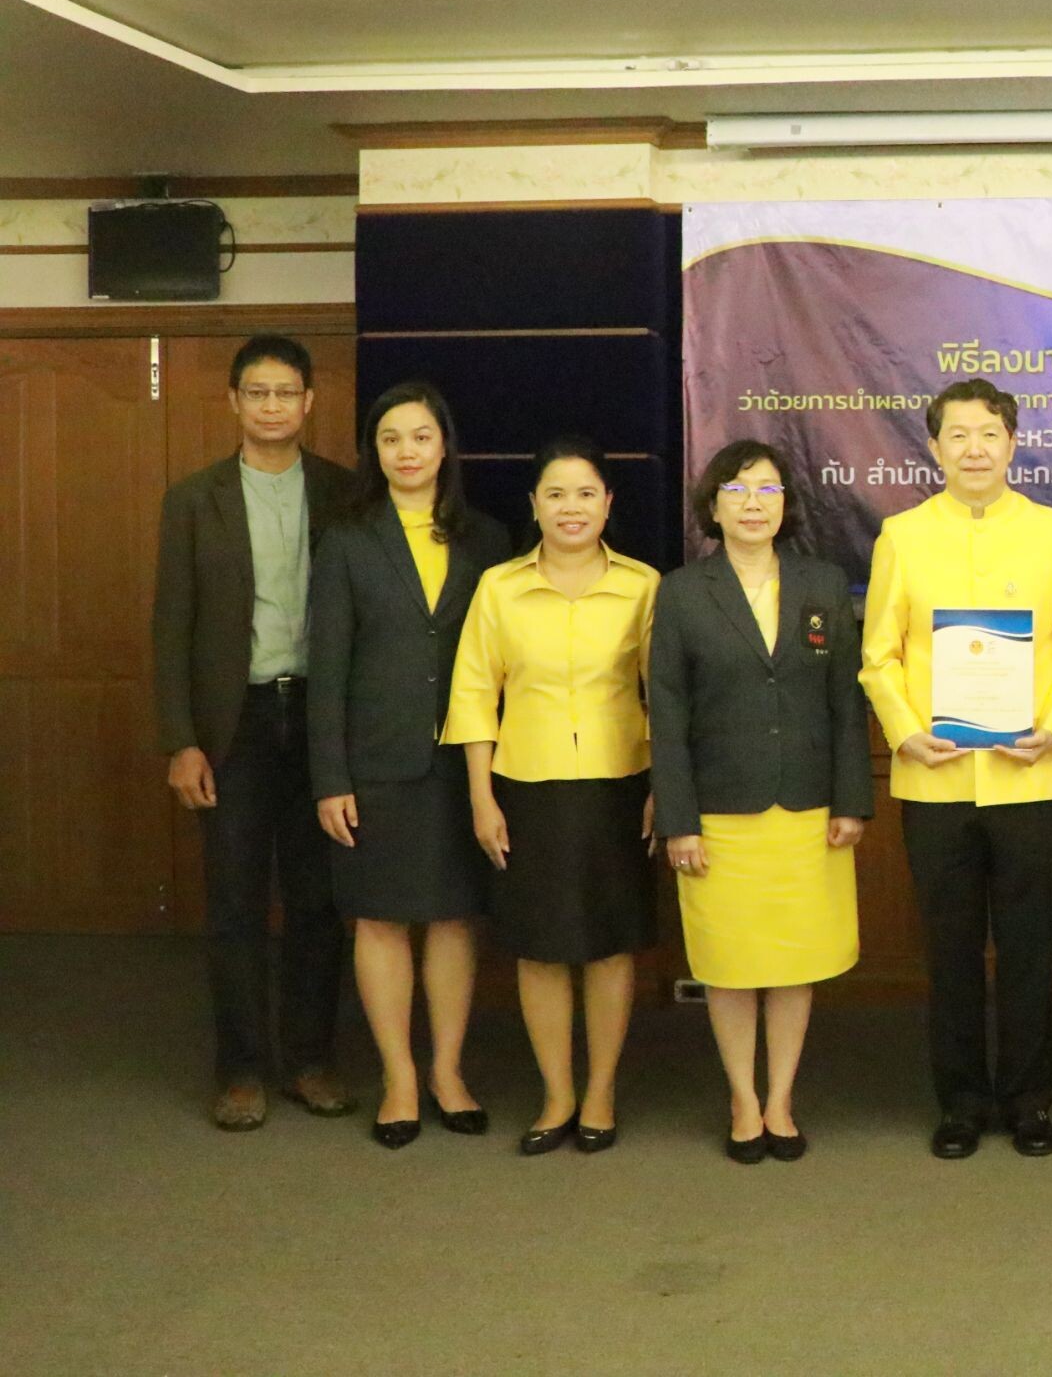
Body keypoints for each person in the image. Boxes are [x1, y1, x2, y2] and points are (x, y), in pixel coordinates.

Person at [859, 379, 1052, 1160]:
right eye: (957, 435)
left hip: (1031, 779)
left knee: (1033, 950)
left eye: (988, 434)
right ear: (933, 448)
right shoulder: (901, 535)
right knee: (952, 951)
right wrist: (904, 734)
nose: (974, 449)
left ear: (1011, 442)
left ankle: (1031, 1101)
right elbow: (877, 659)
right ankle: (961, 1102)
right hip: (934, 781)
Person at [151, 334, 357, 1131]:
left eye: (287, 392)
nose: (273, 405)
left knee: (316, 900)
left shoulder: (343, 493)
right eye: (258, 392)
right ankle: (239, 1068)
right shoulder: (193, 499)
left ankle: (308, 1059)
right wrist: (181, 740)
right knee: (235, 903)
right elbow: (171, 628)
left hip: (318, 720)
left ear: (310, 402)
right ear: (235, 402)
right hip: (230, 726)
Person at [650, 440, 875, 1164]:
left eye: (768, 490)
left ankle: (781, 1099)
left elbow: (846, 701)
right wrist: (678, 819)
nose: (753, 503)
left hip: (808, 809)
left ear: (787, 505)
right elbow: (668, 716)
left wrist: (851, 801)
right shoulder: (684, 592)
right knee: (731, 963)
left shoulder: (822, 583)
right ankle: (741, 1101)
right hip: (721, 813)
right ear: (712, 506)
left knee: (793, 961)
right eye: (738, 490)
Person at [442, 436, 660, 1156]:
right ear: (533, 505)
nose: (572, 507)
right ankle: (556, 1094)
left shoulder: (643, 585)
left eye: (587, 493)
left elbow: (665, 700)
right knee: (538, 949)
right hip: (525, 788)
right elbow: (475, 695)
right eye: (557, 494)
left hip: (618, 787)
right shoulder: (499, 587)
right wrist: (481, 796)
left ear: (609, 505)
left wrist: (665, 789)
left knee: (607, 946)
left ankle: (600, 1091)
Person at [307, 381, 506, 1148]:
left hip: (464, 763)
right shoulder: (348, 538)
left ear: (444, 446)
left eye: (420, 437)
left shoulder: (488, 538)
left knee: (455, 918)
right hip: (376, 764)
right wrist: (331, 777)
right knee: (382, 920)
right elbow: (328, 667)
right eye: (391, 440)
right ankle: (398, 1077)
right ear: (375, 452)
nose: (407, 452)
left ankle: (449, 1071)